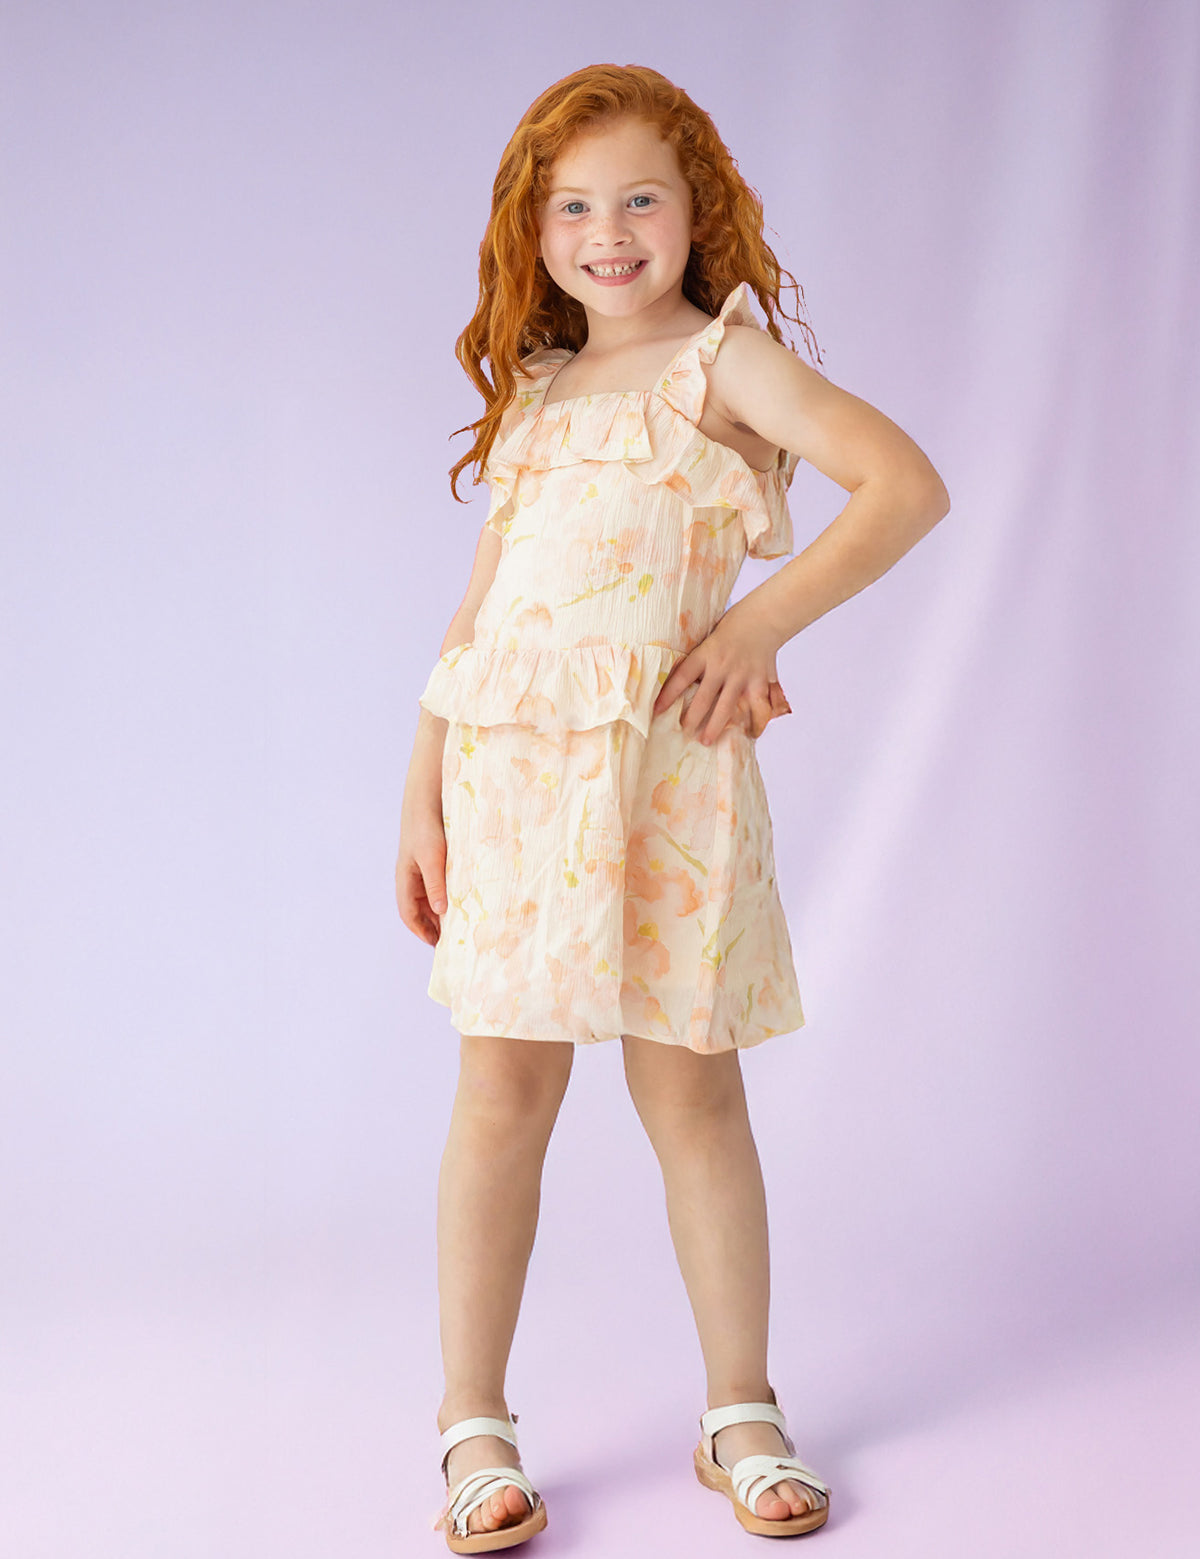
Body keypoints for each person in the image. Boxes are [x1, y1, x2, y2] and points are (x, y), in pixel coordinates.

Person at [396, 62, 950, 1552]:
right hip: (513, 789)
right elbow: (479, 615)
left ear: (695, 208)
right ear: (533, 229)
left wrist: (758, 625)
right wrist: (422, 791)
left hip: (669, 788)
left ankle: (739, 1410)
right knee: (500, 1098)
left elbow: (903, 485)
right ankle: (472, 1423)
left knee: (694, 1095)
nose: (609, 233)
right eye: (574, 208)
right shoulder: (534, 392)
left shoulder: (725, 365)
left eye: (640, 199)